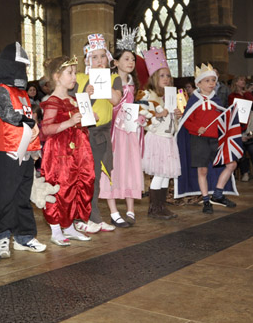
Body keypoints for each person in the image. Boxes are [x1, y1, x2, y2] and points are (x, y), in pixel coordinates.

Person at [0, 42, 46, 257]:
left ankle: (24, 237)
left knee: (23, 196)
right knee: (5, 196)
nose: (22, 71)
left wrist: (34, 148)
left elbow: (30, 121)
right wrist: (25, 120)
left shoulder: (23, 93)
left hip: (25, 151)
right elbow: (5, 113)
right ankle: (1, 237)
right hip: (8, 150)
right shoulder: (2, 90)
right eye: (19, 65)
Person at [40, 55, 94, 245]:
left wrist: (87, 117)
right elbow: (45, 129)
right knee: (59, 188)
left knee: (74, 187)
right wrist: (69, 122)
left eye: (75, 73)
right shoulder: (53, 101)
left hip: (76, 153)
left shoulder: (73, 100)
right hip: (59, 154)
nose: (74, 77)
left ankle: (69, 226)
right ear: (56, 76)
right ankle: (56, 230)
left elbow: (79, 124)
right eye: (70, 73)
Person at [72, 33, 121, 234]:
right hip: (83, 133)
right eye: (94, 57)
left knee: (96, 176)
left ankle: (93, 215)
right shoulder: (79, 78)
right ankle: (81, 217)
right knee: (84, 176)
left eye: (102, 56)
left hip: (102, 133)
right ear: (87, 60)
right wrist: (86, 93)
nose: (99, 61)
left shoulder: (113, 78)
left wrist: (102, 84)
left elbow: (116, 99)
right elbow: (72, 103)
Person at [175, 64, 239, 213]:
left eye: (213, 80)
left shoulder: (217, 100)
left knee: (231, 165)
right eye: (207, 80)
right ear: (198, 84)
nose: (211, 83)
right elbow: (187, 121)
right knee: (202, 170)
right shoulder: (193, 100)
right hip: (199, 140)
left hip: (216, 140)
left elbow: (223, 119)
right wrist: (197, 129)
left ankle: (217, 194)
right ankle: (206, 200)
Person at [99, 26, 144, 227]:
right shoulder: (109, 81)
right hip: (114, 131)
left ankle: (131, 208)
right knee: (113, 167)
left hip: (129, 131)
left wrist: (138, 117)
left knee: (130, 166)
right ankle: (114, 210)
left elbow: (131, 106)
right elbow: (110, 104)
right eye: (126, 58)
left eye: (133, 59)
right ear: (115, 62)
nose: (131, 62)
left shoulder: (133, 84)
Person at [141, 47, 182, 219]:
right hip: (156, 138)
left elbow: (172, 121)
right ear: (154, 77)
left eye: (168, 76)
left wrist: (176, 116)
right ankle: (154, 208)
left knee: (166, 173)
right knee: (159, 173)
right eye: (162, 75)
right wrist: (158, 114)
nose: (166, 79)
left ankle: (161, 206)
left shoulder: (170, 96)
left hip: (168, 138)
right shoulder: (146, 94)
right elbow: (142, 116)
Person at [239, 111, 253, 182]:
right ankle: (245, 173)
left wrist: (247, 136)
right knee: (239, 150)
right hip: (241, 141)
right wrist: (241, 137)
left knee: (252, 149)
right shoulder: (236, 117)